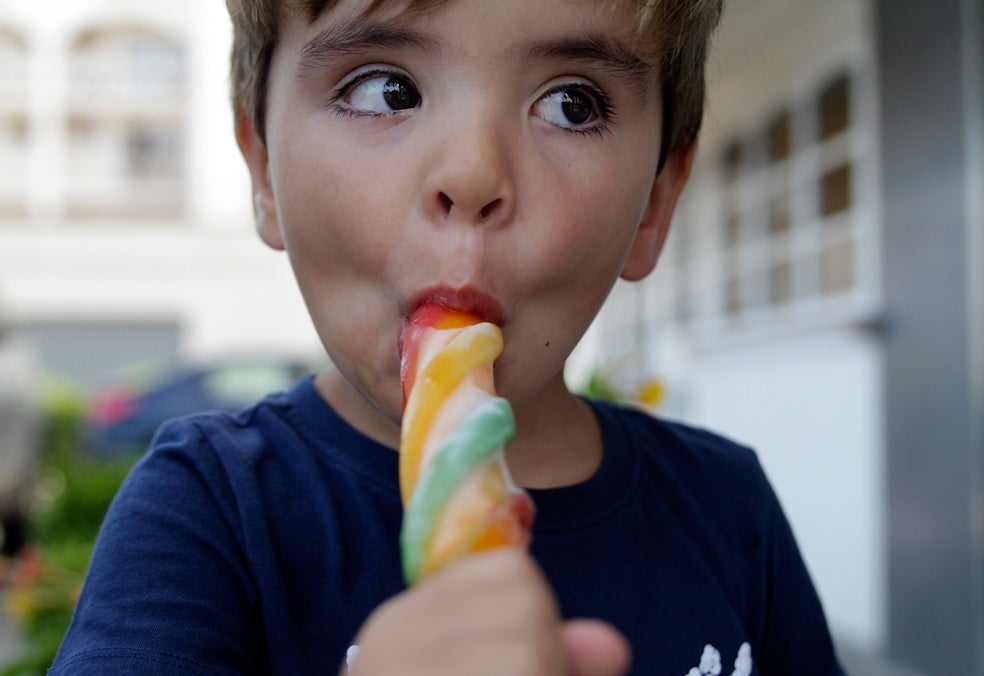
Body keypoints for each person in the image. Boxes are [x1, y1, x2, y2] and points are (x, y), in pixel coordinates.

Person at [51, 0, 846, 673]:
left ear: (654, 204)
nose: (470, 173)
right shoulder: (207, 511)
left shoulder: (728, 508)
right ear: (262, 169)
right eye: (385, 89)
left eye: (572, 103)